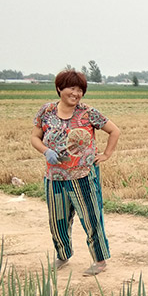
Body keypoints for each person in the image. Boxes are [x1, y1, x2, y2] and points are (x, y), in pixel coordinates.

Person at [31, 69, 120, 276]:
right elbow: (35, 137)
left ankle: (99, 261)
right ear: (59, 88)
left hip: (83, 176)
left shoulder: (88, 113)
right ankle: (63, 256)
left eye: (80, 89)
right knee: (57, 220)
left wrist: (106, 154)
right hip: (54, 177)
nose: (76, 93)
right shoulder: (47, 111)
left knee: (91, 218)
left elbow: (114, 131)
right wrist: (46, 151)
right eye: (72, 88)